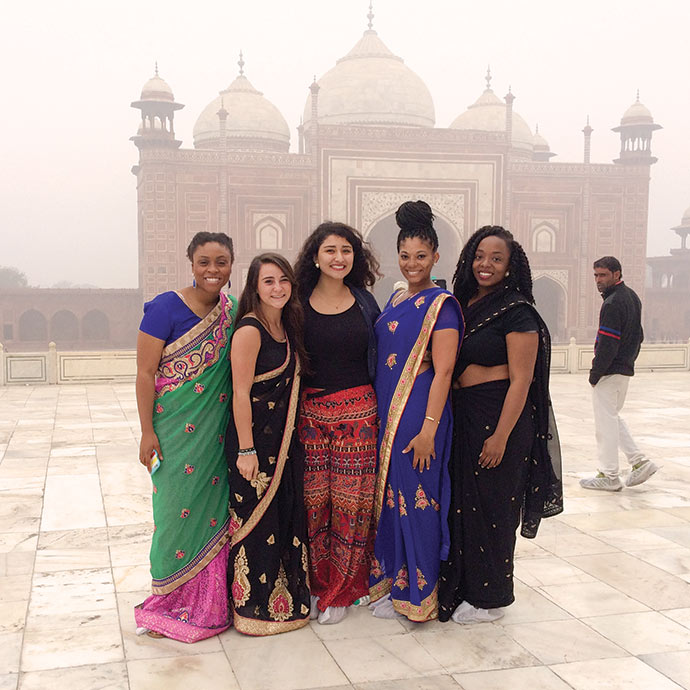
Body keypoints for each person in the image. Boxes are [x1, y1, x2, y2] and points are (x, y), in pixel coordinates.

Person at [438, 225, 563, 625]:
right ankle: (465, 588)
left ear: (510, 267)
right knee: (463, 506)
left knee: (492, 506)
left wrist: (501, 437)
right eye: (479, 256)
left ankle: (491, 599)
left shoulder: (516, 311)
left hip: (499, 418)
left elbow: (523, 380)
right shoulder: (464, 303)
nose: (485, 265)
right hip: (465, 414)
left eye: (496, 258)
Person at [134, 231, 236, 642]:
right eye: (204, 262)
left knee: (214, 513)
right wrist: (146, 432)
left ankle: (208, 602)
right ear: (191, 263)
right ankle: (165, 601)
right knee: (173, 513)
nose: (213, 270)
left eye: (222, 262)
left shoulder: (231, 310)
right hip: (173, 431)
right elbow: (145, 373)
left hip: (215, 435)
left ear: (232, 265)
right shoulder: (164, 308)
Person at [368, 200, 462, 622]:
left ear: (436, 257)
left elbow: (442, 373)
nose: (412, 264)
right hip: (389, 413)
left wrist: (428, 430)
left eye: (421, 257)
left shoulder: (443, 305)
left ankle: (421, 593)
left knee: (419, 500)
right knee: (393, 499)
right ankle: (395, 584)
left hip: (421, 415)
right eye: (405, 256)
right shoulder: (396, 297)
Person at [294, 221, 381, 625]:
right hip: (311, 418)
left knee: (351, 505)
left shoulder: (365, 303)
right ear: (315, 256)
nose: (338, 258)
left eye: (345, 250)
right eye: (330, 250)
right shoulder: (296, 302)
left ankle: (344, 589)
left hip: (359, 418)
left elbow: (388, 356)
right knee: (314, 505)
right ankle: (315, 585)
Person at [225, 253, 311, 635]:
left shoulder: (287, 329)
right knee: (257, 523)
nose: (277, 288)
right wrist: (246, 450)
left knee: (285, 516)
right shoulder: (250, 330)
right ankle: (252, 608)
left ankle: (286, 604)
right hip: (254, 446)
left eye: (283, 280)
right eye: (268, 282)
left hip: (285, 442)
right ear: (255, 288)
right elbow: (240, 394)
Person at [580, 256, 658, 491]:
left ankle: (609, 474)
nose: (598, 280)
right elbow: (638, 335)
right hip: (623, 369)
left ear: (616, 274)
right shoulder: (631, 296)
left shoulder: (613, 302)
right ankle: (639, 462)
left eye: (603, 275)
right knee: (611, 418)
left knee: (605, 424)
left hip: (611, 370)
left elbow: (608, 343)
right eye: (595, 275)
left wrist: (596, 372)